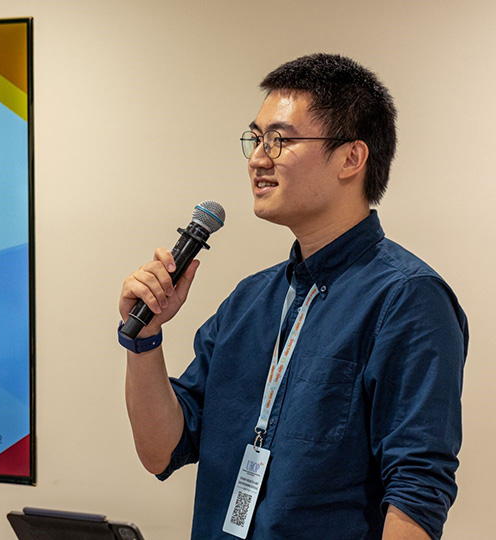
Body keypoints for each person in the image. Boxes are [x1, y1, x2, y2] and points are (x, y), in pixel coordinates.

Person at [119, 54, 468, 540]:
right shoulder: (250, 300)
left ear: (351, 158)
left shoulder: (407, 299)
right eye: (255, 139)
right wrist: (145, 337)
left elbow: (416, 489)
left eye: (280, 140)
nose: (258, 158)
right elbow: (160, 450)